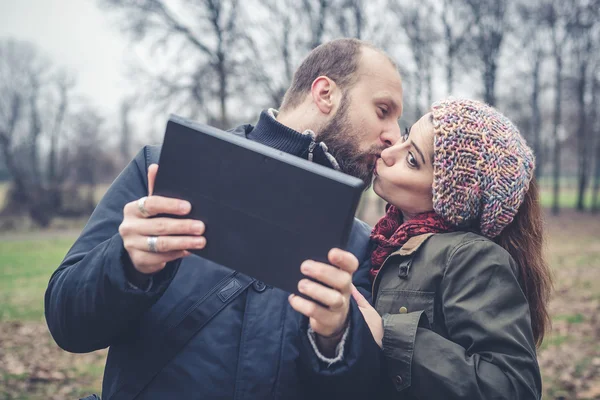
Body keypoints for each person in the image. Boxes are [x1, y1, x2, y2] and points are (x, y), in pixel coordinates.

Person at [44, 38, 403, 399]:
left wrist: (338, 341)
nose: (393, 135)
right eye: (383, 110)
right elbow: (67, 324)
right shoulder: (164, 170)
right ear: (325, 93)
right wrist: (127, 262)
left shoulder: (359, 245)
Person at [294, 98, 553, 399]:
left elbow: (512, 388)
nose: (389, 153)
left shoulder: (471, 258)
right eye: (405, 138)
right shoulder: (380, 243)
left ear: (451, 199)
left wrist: (388, 335)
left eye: (413, 160)